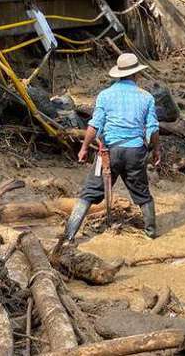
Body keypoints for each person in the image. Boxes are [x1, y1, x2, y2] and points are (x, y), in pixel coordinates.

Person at [59, 53, 161, 245]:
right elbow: (153, 129)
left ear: (119, 74)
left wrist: (83, 148)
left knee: (89, 193)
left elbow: (94, 125)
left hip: (108, 153)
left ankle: (69, 236)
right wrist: (156, 150)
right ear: (136, 75)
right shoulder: (146, 97)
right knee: (142, 193)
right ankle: (151, 233)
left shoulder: (105, 95)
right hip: (135, 153)